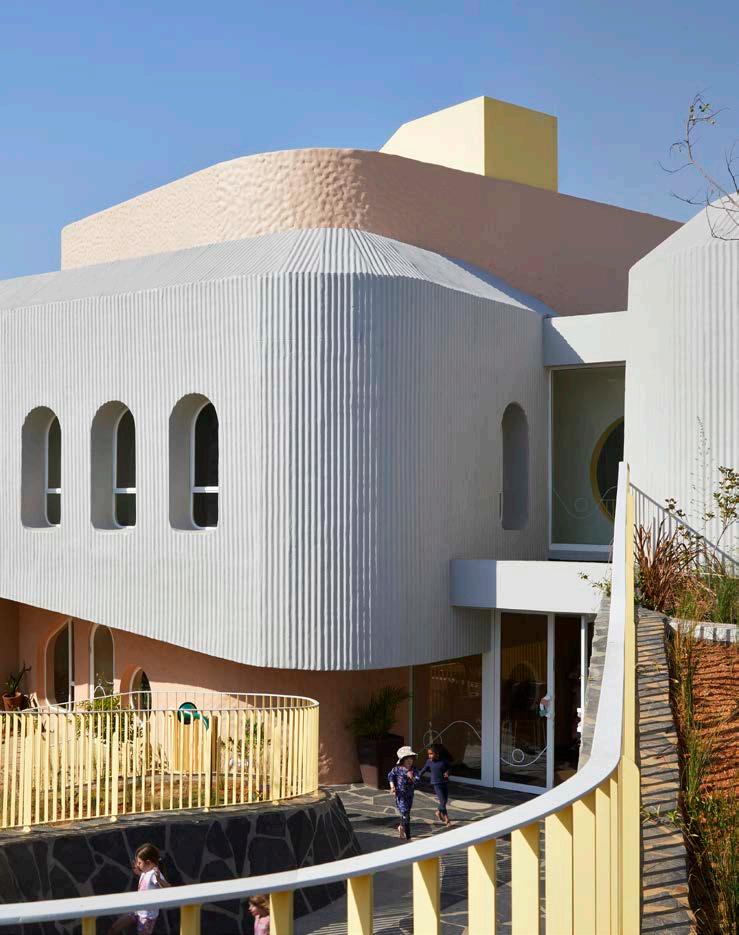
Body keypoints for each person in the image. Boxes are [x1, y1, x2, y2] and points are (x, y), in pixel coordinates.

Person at [110, 843, 170, 935]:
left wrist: (159, 880)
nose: (137, 865)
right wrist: (138, 872)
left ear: (148, 862)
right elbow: (146, 882)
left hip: (147, 916)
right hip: (137, 910)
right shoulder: (146, 871)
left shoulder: (154, 874)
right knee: (114, 928)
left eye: (139, 863)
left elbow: (169, 889)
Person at [387, 745, 420, 840]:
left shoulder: (414, 770)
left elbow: (417, 782)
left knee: (406, 814)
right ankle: (408, 836)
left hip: (409, 795)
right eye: (407, 759)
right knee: (405, 814)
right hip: (400, 796)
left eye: (411, 759)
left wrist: (412, 777)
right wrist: (392, 787)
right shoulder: (397, 769)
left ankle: (401, 827)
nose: (409, 761)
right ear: (402, 760)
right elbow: (390, 776)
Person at [419, 743, 452, 825]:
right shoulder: (429, 762)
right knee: (443, 801)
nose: (429, 756)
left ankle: (438, 812)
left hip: (444, 783)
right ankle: (447, 819)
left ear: (437, 753)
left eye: (431, 754)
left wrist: (448, 772)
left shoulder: (444, 761)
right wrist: (416, 777)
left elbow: (450, 768)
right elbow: (423, 770)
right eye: (428, 754)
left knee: (444, 801)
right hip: (436, 784)